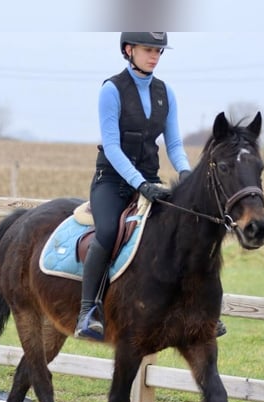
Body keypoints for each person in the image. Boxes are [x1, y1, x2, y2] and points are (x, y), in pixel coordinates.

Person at [74, 32, 226, 341]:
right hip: (113, 183)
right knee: (106, 233)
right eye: (148, 49)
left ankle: (200, 308)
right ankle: (88, 311)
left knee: (185, 230)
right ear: (129, 50)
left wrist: (186, 174)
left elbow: (173, 143)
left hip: (150, 182)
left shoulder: (165, 92)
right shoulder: (111, 90)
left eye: (158, 50)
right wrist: (140, 184)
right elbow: (112, 147)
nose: (154, 55)